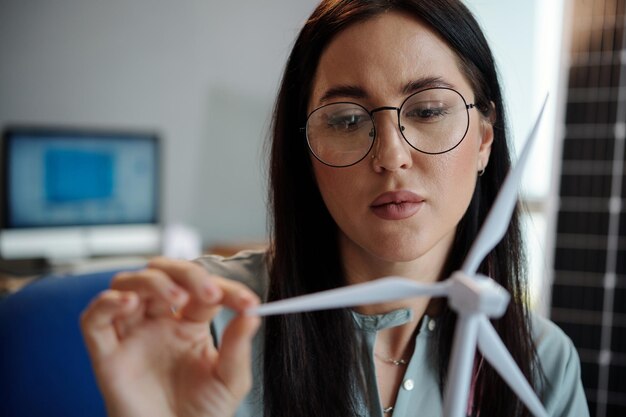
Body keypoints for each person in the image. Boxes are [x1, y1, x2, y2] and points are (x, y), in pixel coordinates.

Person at [80, 1, 589, 416]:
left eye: (429, 110)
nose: (391, 155)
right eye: (346, 121)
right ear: (305, 150)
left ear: (484, 137)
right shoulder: (208, 325)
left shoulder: (542, 364)